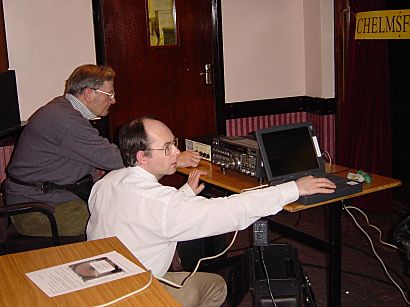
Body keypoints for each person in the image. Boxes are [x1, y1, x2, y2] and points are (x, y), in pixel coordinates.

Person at [86, 116, 336, 306]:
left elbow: (149, 216)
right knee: (217, 285)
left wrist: (184, 194)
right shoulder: (164, 205)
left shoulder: (108, 182)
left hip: (100, 283)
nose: (176, 152)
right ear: (142, 157)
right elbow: (231, 210)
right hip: (134, 295)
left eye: (174, 143)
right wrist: (293, 188)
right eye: (167, 148)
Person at [4, 64, 200, 237]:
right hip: (38, 210)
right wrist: (173, 157)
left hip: (46, 199)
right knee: (124, 220)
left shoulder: (63, 110)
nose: (113, 100)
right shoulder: (65, 122)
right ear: (90, 94)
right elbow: (116, 158)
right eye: (110, 94)